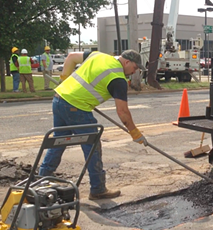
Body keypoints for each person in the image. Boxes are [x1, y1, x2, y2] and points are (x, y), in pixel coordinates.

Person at [39, 50, 148, 200]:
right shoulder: (118, 78)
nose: (135, 71)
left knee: (59, 140)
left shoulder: (98, 55)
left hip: (59, 98)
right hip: (76, 107)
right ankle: (98, 189)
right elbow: (123, 112)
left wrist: (64, 79)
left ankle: (41, 179)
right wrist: (134, 132)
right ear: (127, 62)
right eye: (135, 68)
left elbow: (71, 58)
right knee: (92, 145)